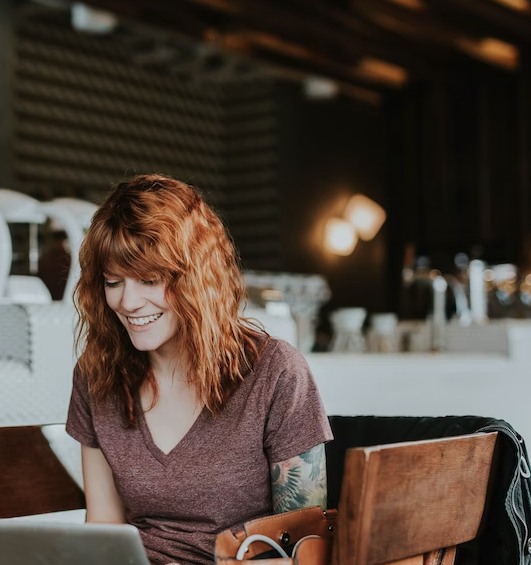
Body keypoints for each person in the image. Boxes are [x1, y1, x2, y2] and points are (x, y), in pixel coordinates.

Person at [65, 174, 333, 565]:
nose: (128, 302)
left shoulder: (275, 372)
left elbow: (307, 549)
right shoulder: (96, 376)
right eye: (113, 282)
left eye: (150, 280)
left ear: (196, 278)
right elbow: (104, 524)